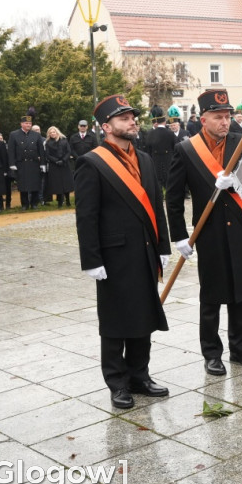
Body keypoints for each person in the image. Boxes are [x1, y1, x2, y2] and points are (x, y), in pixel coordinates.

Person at [75, 94, 171, 409]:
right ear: (106, 126)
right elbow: (86, 216)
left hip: (144, 252)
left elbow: (157, 205)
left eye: (132, 117)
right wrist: (92, 260)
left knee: (143, 316)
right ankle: (117, 383)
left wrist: (163, 246)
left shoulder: (143, 158)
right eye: (124, 118)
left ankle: (140, 376)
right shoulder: (92, 162)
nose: (132, 122)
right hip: (114, 256)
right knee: (116, 321)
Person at [167, 89, 242, 376]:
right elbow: (172, 197)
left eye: (228, 116)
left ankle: (240, 347)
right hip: (208, 232)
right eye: (218, 117)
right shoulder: (186, 149)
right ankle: (211, 353)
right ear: (203, 119)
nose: (225, 122)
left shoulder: (240, 142)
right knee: (211, 296)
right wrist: (179, 236)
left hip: (241, 228)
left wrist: (237, 182)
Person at [7, 111, 46, 210]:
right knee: (23, 185)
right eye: (26, 123)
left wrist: (42, 164)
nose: (28, 125)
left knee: (35, 184)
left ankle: (34, 203)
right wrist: (12, 163)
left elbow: (41, 151)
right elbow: (11, 150)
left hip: (34, 163)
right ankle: (24, 204)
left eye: (30, 123)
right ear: (21, 124)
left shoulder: (36, 135)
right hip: (21, 163)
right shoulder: (14, 134)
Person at [143, 106, 177, 189]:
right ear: (165, 122)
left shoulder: (150, 134)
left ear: (156, 122)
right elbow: (175, 148)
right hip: (168, 161)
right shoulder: (170, 133)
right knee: (169, 185)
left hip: (155, 161)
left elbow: (148, 149)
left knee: (157, 185)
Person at [44, 126, 75, 207]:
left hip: (64, 164)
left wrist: (63, 160)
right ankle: (60, 202)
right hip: (54, 165)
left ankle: (68, 200)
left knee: (66, 183)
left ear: (57, 132)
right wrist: (56, 161)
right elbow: (47, 154)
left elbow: (68, 151)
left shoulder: (64, 140)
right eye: (50, 133)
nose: (52, 134)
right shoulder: (48, 142)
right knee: (57, 184)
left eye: (53, 132)